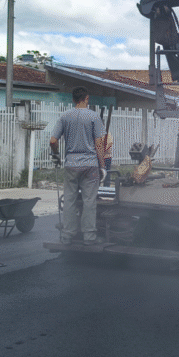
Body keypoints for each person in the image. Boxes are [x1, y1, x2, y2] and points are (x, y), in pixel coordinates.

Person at [50, 86, 107, 245]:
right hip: (90, 165)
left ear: (73, 100)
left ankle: (67, 235)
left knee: (69, 200)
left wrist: (55, 155)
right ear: (86, 98)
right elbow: (99, 144)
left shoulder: (65, 116)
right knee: (89, 201)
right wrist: (102, 166)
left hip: (71, 164)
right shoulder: (94, 117)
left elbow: (53, 141)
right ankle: (89, 237)